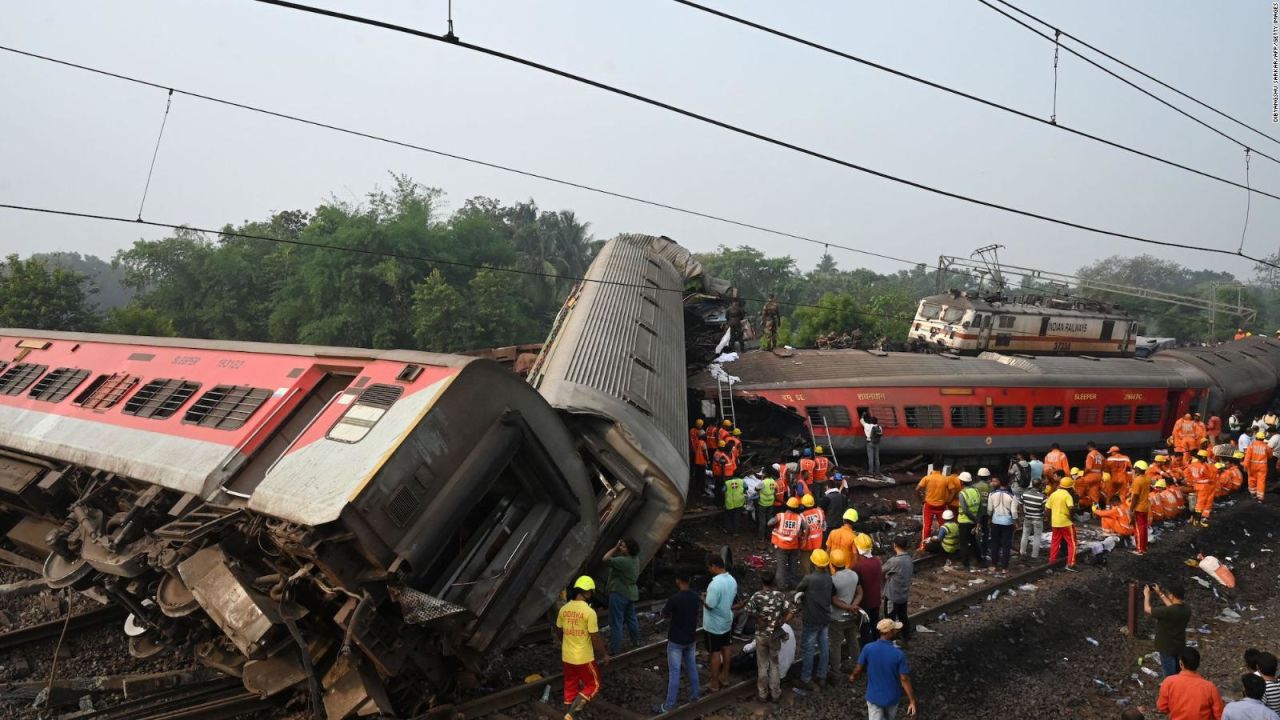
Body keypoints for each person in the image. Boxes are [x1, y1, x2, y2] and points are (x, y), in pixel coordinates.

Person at [556, 576, 607, 718]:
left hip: (567, 656)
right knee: (593, 685)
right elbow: (595, 638)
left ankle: (568, 710)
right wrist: (603, 654)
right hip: (583, 657)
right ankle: (571, 714)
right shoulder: (589, 612)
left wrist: (567, 643)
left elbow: (560, 632)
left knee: (570, 683)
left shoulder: (564, 609)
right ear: (588, 593)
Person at [741, 573, 796, 703]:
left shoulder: (756, 596)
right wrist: (782, 621)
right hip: (774, 636)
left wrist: (758, 617)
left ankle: (762, 694)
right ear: (773, 582)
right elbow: (793, 610)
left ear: (762, 582)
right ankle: (775, 694)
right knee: (774, 665)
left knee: (762, 666)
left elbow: (747, 610)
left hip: (761, 635)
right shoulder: (780, 596)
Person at [849, 618, 918, 720]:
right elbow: (904, 679)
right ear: (890, 632)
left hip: (874, 697)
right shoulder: (898, 654)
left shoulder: (868, 648)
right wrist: (912, 701)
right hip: (892, 697)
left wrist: (853, 676)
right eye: (895, 629)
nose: (896, 631)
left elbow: (859, 667)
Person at [655, 571, 701, 713]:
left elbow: (664, 613)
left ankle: (669, 705)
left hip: (676, 640)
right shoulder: (695, 597)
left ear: (678, 581)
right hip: (691, 638)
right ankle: (695, 695)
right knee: (692, 666)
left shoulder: (674, 599)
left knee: (674, 672)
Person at [796, 549, 834, 690]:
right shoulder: (829, 578)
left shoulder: (809, 579)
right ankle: (822, 676)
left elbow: (798, 591)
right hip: (825, 618)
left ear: (813, 562)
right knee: (824, 647)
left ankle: (806, 678)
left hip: (811, 618)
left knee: (808, 649)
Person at [1156, 647, 1224, 720]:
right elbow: (1219, 714)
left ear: (1181, 663)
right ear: (1198, 664)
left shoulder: (1169, 682)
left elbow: (1162, 707)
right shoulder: (1209, 687)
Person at [702, 554, 737, 692]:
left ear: (714, 566)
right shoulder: (732, 580)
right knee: (727, 648)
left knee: (715, 653)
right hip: (727, 620)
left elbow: (710, 605)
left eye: (709, 567)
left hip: (713, 625)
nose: (709, 570)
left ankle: (714, 683)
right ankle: (725, 677)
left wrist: (702, 599)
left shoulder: (714, 584)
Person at [1145, 581, 1191, 677]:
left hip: (1166, 648)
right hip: (1179, 646)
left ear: (1172, 596)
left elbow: (1147, 609)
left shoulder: (1168, 611)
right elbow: (1172, 607)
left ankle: (1173, 689)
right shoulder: (1186, 609)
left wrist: (1146, 595)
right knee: (1179, 672)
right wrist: (1160, 593)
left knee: (1170, 676)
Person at [603, 538, 641, 654]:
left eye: (623, 546)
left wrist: (615, 547)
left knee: (616, 621)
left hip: (619, 593)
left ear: (629, 550)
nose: (620, 548)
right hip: (631, 593)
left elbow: (605, 559)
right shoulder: (635, 560)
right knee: (631, 618)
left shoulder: (623, 561)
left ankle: (615, 648)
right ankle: (636, 641)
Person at [829, 548, 864, 674]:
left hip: (837, 617)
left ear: (831, 564)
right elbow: (860, 593)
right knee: (853, 641)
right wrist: (853, 606)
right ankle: (857, 665)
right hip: (851, 616)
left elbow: (834, 601)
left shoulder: (833, 580)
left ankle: (835, 671)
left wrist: (849, 607)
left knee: (835, 645)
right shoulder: (854, 574)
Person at [916, 466, 959, 549]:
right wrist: (948, 500)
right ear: (941, 470)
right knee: (943, 525)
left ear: (932, 469)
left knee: (927, 527)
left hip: (928, 505)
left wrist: (921, 500)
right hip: (941, 505)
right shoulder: (945, 479)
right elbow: (953, 490)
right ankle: (943, 543)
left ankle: (923, 546)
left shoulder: (926, 478)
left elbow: (917, 489)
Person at [854, 533, 884, 647]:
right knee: (875, 625)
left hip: (864, 603)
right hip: (876, 600)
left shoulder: (858, 566)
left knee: (865, 630)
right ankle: (877, 646)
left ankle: (867, 652)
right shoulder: (877, 560)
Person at [882, 535, 914, 642]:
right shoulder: (909, 558)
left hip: (892, 596)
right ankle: (906, 638)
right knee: (903, 616)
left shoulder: (894, 561)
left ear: (895, 545)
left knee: (889, 619)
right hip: (903, 595)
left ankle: (890, 640)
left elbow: (881, 570)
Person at [769, 497, 804, 589]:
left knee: (781, 568)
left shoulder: (781, 516)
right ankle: (793, 584)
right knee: (793, 567)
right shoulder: (799, 518)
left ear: (787, 506)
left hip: (781, 546)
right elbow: (806, 527)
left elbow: (769, 523)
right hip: (794, 546)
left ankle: (781, 586)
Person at [1046, 475, 1077, 570]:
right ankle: (1071, 563)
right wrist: (1072, 518)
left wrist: (1049, 520)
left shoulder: (1053, 494)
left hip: (1055, 523)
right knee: (1072, 543)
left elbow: (1047, 509)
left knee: (1055, 542)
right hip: (1066, 523)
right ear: (1070, 487)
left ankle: (1051, 562)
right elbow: (1071, 508)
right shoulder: (1067, 495)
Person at [987, 476, 1017, 572]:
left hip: (995, 521)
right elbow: (1014, 512)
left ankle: (994, 565)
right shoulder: (1012, 496)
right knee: (1006, 545)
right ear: (1008, 483)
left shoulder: (992, 494)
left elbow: (989, 510)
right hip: (1007, 523)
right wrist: (1015, 522)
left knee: (995, 543)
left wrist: (989, 518)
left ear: (999, 483)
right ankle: (1004, 567)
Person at [956, 472, 983, 569]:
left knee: (963, 543)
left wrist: (975, 519)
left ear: (962, 482)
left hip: (964, 521)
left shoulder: (962, 493)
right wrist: (977, 520)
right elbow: (980, 507)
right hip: (974, 521)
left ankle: (965, 564)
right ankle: (980, 560)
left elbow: (965, 509)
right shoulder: (976, 491)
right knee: (973, 541)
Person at [1019, 477, 1047, 559]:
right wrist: (1044, 516)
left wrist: (1023, 513)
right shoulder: (1042, 497)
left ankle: (1022, 552)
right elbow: (1043, 508)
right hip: (1038, 519)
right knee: (1037, 537)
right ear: (1040, 485)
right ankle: (1034, 555)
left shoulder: (1025, 494)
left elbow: (1020, 504)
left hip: (1027, 517)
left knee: (1025, 535)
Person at [800, 494, 827, 576]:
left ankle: (808, 578)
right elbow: (824, 526)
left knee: (806, 564)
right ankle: (820, 576)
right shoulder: (820, 512)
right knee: (819, 561)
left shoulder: (802, 515)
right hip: (819, 541)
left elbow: (801, 531)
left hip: (807, 544)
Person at [1130, 463, 1152, 555]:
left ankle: (1139, 549)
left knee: (1138, 530)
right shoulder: (1147, 478)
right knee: (1144, 528)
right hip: (1145, 507)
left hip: (1138, 508)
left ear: (1138, 469)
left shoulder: (1137, 480)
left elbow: (1135, 496)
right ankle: (1144, 547)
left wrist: (1131, 509)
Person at [972, 468, 993, 563]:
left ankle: (976, 551)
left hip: (976, 513)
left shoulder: (974, 486)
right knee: (985, 533)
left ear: (978, 476)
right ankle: (984, 551)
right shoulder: (990, 487)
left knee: (975, 533)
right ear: (988, 477)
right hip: (987, 513)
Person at [1245, 431, 1272, 501]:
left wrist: (1245, 466)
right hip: (1262, 467)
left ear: (1256, 438)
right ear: (1263, 439)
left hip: (1252, 466)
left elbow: (1247, 458)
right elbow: (1270, 456)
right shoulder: (1266, 447)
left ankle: (1253, 494)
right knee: (1261, 481)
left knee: (1252, 479)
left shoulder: (1251, 446)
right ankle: (1260, 497)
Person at [756, 470, 778, 539]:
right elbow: (776, 489)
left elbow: (756, 488)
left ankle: (761, 536)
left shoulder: (763, 482)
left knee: (762, 520)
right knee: (770, 518)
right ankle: (769, 535)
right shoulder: (773, 481)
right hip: (770, 502)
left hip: (762, 503)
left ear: (764, 475)